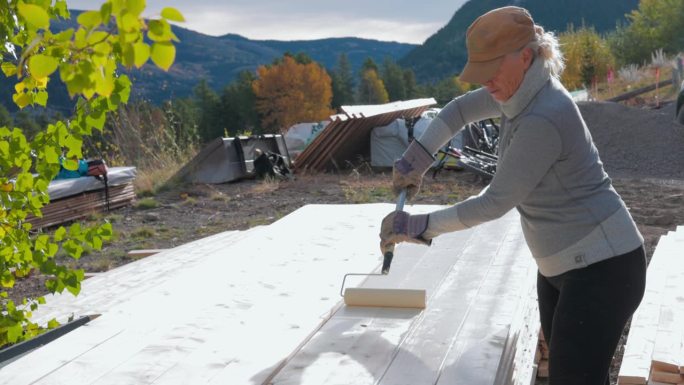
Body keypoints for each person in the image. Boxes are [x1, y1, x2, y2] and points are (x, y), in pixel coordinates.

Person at [379, 6, 646, 385]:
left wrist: (417, 226)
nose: (486, 83)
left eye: (491, 71)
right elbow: (457, 111)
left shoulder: (544, 115)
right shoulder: (516, 90)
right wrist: (416, 158)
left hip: (603, 270)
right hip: (561, 268)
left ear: (525, 57)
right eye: (480, 73)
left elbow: (495, 202)